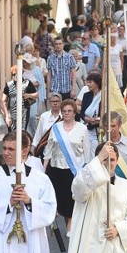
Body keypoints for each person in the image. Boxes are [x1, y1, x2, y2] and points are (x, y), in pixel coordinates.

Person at [42, 99, 91, 232]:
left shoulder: (82, 128)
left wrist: (87, 170)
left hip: (74, 170)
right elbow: (49, 148)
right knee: (62, 198)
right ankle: (68, 221)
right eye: (64, 111)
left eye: (69, 111)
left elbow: (87, 152)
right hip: (57, 168)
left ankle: (71, 225)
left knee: (72, 198)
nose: (66, 113)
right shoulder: (56, 127)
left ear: (74, 112)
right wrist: (43, 168)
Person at [78, 72, 103, 148]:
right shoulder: (86, 95)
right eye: (87, 82)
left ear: (97, 83)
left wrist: (98, 120)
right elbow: (82, 113)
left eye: (90, 82)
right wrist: (88, 119)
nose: (88, 84)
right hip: (87, 128)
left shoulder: (104, 96)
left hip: (100, 130)